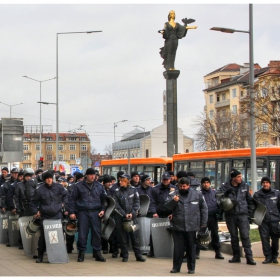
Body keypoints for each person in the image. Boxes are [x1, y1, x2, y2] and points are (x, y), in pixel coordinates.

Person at [164, 177, 208, 274]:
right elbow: (166, 208)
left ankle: (191, 268)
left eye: (184, 186)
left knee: (191, 248)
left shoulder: (197, 194)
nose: (182, 188)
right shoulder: (173, 194)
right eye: (180, 186)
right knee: (178, 248)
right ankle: (176, 267)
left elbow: (204, 209)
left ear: (188, 185)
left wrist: (203, 223)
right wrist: (173, 201)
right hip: (178, 225)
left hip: (192, 225)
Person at [217, 169, 256, 265]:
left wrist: (250, 213)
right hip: (230, 215)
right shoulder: (225, 186)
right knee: (234, 236)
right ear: (233, 178)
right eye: (238, 177)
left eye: (241, 176)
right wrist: (225, 193)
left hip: (242, 214)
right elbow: (218, 198)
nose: (240, 178)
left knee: (245, 236)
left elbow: (249, 200)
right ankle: (236, 256)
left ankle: (249, 257)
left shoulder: (244, 186)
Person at [68, 168, 107, 263]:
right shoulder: (78, 186)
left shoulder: (99, 186)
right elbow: (72, 199)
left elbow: (104, 200)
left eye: (94, 175)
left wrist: (103, 210)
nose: (93, 176)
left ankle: (97, 252)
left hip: (95, 212)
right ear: (86, 176)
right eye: (90, 175)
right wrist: (72, 212)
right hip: (83, 212)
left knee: (97, 233)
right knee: (82, 233)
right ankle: (81, 253)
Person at [30, 171, 69, 263]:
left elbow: (66, 195)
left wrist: (63, 204)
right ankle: (40, 255)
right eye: (47, 178)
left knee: (59, 235)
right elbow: (32, 202)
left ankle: (59, 255)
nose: (49, 179)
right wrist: (36, 211)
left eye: (50, 178)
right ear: (44, 180)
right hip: (45, 216)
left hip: (57, 214)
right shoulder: (40, 190)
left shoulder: (59, 187)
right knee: (43, 236)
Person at [113, 174, 146, 262]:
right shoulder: (117, 191)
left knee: (135, 237)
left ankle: (138, 255)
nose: (120, 182)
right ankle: (125, 255)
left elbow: (137, 202)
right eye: (119, 180)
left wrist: (132, 213)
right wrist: (124, 214)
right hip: (121, 218)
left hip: (133, 218)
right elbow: (116, 205)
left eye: (122, 181)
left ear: (127, 181)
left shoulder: (134, 190)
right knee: (123, 238)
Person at [253, 176, 280, 264]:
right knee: (265, 240)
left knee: (275, 240)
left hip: (274, 220)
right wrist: (256, 219)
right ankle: (268, 257)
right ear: (261, 184)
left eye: (267, 182)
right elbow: (254, 208)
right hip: (263, 221)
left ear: (270, 184)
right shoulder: (257, 195)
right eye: (263, 183)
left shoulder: (276, 193)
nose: (265, 184)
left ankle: (275, 256)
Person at [198, 177, 224, 260]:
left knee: (215, 235)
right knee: (199, 235)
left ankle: (217, 252)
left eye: (207, 182)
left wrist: (219, 213)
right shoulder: (199, 193)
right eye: (204, 182)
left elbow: (219, 203)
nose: (206, 184)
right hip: (202, 218)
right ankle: (196, 252)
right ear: (202, 184)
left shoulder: (214, 192)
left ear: (210, 183)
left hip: (213, 217)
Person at [136, 175, 154, 257]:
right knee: (142, 232)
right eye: (147, 180)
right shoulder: (137, 190)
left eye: (150, 180)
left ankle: (150, 249)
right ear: (143, 181)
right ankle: (141, 248)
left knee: (150, 232)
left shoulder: (152, 190)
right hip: (140, 213)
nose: (149, 181)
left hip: (151, 213)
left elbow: (154, 201)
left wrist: (154, 211)